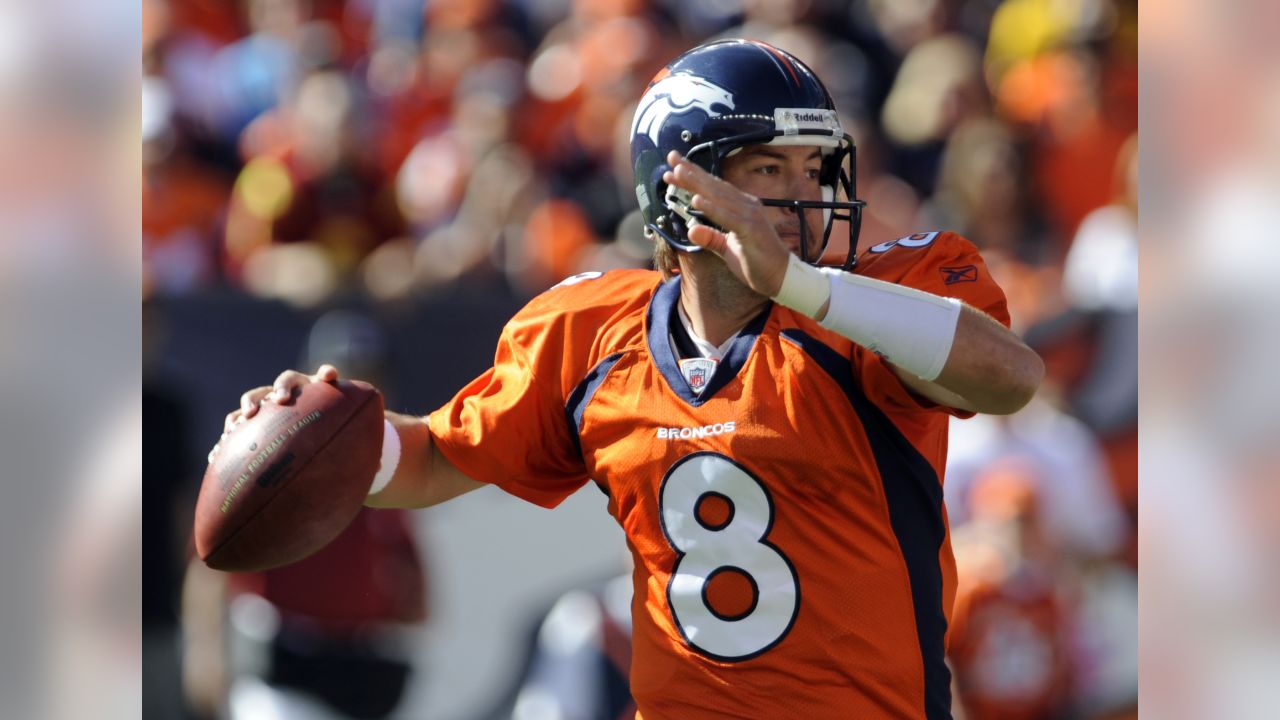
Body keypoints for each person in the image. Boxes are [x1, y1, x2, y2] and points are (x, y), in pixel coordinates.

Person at [220, 39, 1042, 719]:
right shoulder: (589, 331)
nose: (806, 194)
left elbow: (1008, 378)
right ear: (679, 189)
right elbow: (436, 457)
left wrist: (803, 287)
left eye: (814, 167)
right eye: (769, 169)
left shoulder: (877, 302)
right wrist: (306, 428)